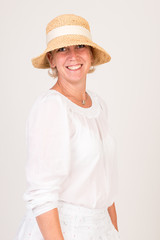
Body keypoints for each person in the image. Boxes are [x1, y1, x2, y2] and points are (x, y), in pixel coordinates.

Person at [14, 14, 120, 240]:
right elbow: (42, 196)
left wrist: (114, 232)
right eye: (63, 49)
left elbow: (105, 187)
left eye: (80, 46)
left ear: (90, 54)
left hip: (101, 231)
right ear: (51, 60)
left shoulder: (98, 105)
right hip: (63, 232)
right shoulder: (51, 107)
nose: (73, 55)